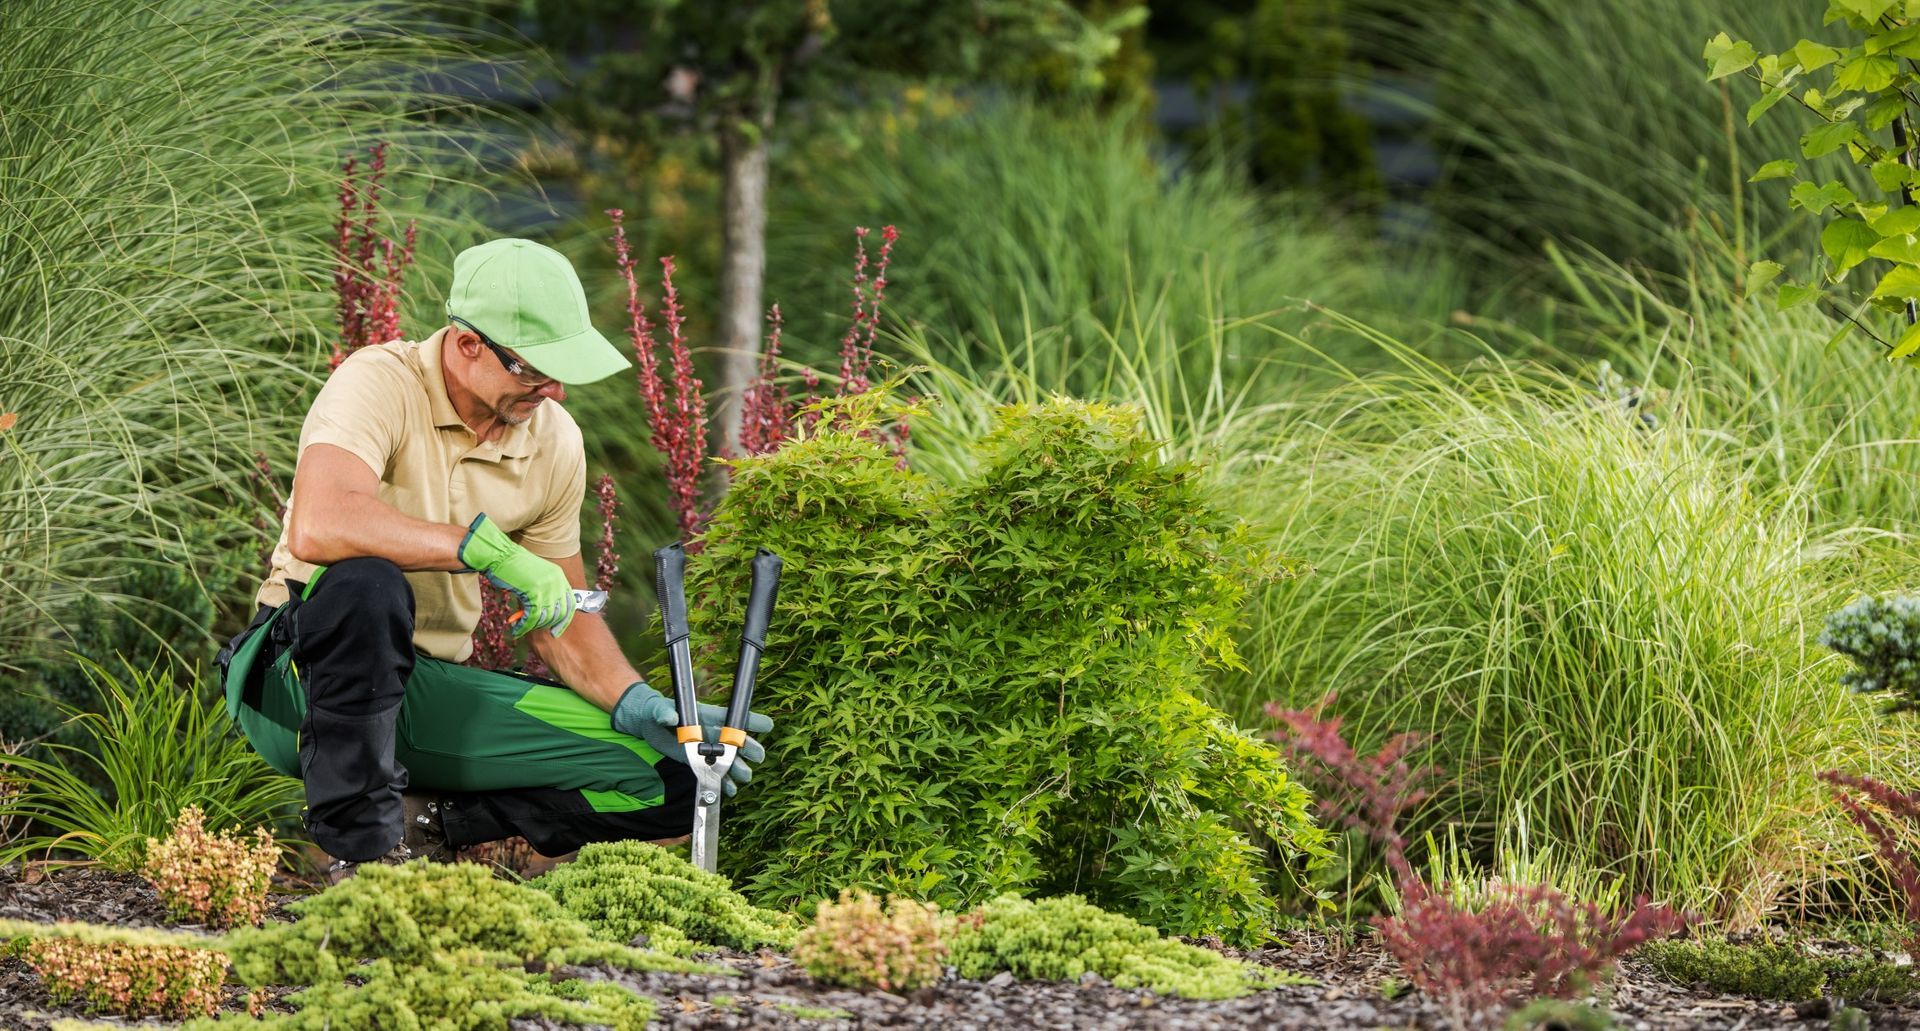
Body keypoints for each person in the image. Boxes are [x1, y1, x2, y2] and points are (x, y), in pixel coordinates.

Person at [216, 238, 770, 883]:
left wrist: (635, 700)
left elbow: (560, 615)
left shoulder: (554, 438)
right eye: (532, 368)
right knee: (364, 585)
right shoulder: (380, 381)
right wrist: (484, 549)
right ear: (467, 341)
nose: (555, 388)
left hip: (428, 690)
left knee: (676, 776)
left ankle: (432, 827)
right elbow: (321, 523)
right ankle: (361, 859)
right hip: (298, 681)